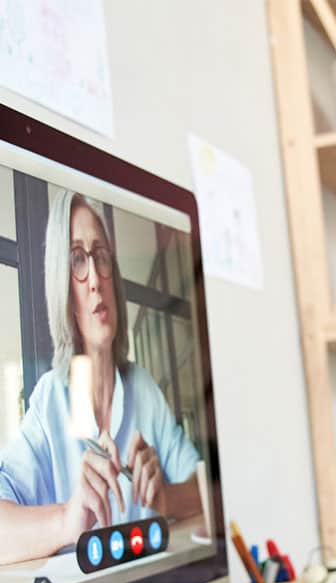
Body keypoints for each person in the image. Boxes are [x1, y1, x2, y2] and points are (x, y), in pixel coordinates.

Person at [0, 189, 202, 564]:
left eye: (101, 257)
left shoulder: (142, 389)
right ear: (63, 289)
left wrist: (165, 499)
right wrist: (66, 519)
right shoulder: (52, 399)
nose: (94, 278)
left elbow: (206, 491)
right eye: (77, 259)